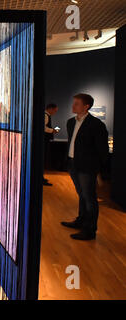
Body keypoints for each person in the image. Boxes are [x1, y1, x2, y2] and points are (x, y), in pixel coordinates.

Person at [61, 93, 109, 240]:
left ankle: (90, 230)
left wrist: (100, 170)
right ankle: (81, 221)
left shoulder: (96, 125)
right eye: (73, 102)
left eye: (76, 103)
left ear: (86, 106)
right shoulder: (70, 122)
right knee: (82, 195)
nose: (73, 105)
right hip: (73, 164)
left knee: (89, 198)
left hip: (87, 168)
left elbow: (102, 149)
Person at [43, 103, 59, 186]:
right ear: (51, 109)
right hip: (44, 141)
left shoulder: (46, 115)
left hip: (45, 140)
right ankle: (41, 179)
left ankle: (41, 178)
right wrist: (52, 130)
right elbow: (43, 127)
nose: (55, 112)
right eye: (55, 110)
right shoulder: (45, 115)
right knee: (43, 159)